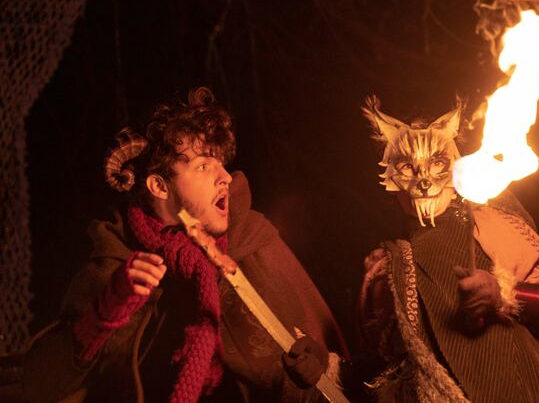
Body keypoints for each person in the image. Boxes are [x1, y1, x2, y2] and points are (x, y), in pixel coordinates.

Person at [23, 87, 348, 402]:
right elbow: (46, 383)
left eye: (220, 162)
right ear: (159, 186)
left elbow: (320, 344)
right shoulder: (117, 263)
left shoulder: (252, 237)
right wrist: (108, 308)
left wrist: (318, 359)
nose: (225, 177)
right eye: (203, 166)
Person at [358, 96, 539, 402]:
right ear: (389, 173)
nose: (424, 179)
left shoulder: (492, 223)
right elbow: (382, 373)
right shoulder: (387, 265)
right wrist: (326, 367)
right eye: (408, 166)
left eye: (436, 162)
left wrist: (505, 294)